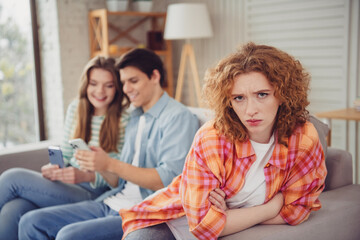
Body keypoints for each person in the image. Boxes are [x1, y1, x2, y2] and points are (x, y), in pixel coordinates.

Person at [120, 42, 328, 240]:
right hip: (167, 221)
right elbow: (203, 225)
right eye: (239, 98)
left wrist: (227, 215)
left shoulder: (303, 139)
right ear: (228, 101)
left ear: (282, 94)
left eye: (262, 94)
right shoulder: (212, 138)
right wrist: (270, 208)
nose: (250, 110)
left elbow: (297, 211)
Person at [19, 48, 200, 240]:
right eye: (123, 82)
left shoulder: (178, 117)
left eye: (133, 81)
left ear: (154, 76)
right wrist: (100, 164)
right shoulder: (135, 116)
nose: (127, 88)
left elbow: (167, 180)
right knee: (30, 222)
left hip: (141, 209)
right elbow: (118, 181)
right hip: (111, 200)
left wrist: (109, 164)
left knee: (67, 236)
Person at [0, 56, 129, 240]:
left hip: (95, 192)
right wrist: (54, 166)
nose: (100, 91)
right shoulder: (77, 107)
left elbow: (119, 174)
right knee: (15, 208)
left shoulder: (124, 118)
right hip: (66, 183)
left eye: (108, 85)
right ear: (86, 84)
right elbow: (64, 149)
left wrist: (86, 176)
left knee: (12, 178)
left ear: (117, 88)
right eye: (94, 83)